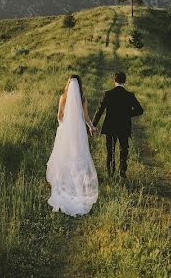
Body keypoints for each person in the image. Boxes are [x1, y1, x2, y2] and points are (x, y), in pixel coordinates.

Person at [46, 75, 99, 216]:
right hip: (79, 131)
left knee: (64, 156)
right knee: (78, 155)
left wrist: (63, 127)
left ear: (68, 85)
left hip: (65, 130)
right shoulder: (82, 99)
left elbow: (59, 116)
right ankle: (78, 183)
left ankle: (64, 183)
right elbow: (85, 117)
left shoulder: (63, 97)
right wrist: (91, 127)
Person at [92, 71, 144, 178]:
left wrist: (93, 125)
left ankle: (111, 172)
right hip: (124, 126)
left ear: (114, 81)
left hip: (110, 126)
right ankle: (122, 171)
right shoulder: (130, 95)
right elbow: (140, 110)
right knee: (124, 149)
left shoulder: (108, 94)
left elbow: (99, 111)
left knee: (110, 150)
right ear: (124, 81)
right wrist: (128, 114)